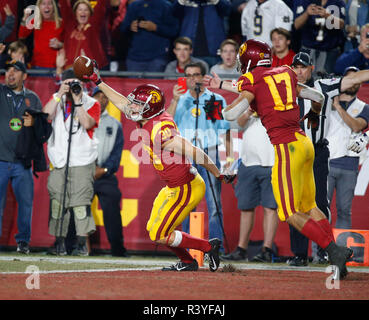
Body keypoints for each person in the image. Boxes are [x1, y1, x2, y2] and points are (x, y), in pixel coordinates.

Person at [203, 39, 369, 280]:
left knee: (289, 212)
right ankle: (336, 258)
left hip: (286, 147)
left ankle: (335, 251)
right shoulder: (285, 72)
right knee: (311, 206)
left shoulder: (253, 79)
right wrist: (313, 114)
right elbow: (317, 96)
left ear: (249, 59)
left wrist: (219, 110)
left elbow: (231, 112)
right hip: (306, 144)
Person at [83, 60, 235, 272]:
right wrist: (98, 81)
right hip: (173, 186)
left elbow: (195, 152)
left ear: (150, 107)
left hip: (186, 187)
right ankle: (187, 261)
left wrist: (218, 174)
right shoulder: (148, 117)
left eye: (137, 104)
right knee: (155, 229)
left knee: (160, 234)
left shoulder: (161, 129)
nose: (132, 106)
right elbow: (122, 102)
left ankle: (208, 246)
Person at [167, 62, 232, 253]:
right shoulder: (181, 99)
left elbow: (225, 132)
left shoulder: (215, 99)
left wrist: (229, 161)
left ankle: (215, 248)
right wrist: (175, 100)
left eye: (195, 75)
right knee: (187, 204)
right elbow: (167, 126)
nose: (192, 79)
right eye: (188, 75)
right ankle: (188, 248)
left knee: (214, 205)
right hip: (186, 155)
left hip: (209, 153)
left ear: (203, 77)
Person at [44, 68, 100, 256]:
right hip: (59, 160)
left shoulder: (91, 103)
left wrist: (77, 102)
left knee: (80, 204)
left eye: (78, 83)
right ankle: (58, 243)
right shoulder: (57, 100)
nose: (74, 87)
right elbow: (45, 117)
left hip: (82, 160)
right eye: (70, 83)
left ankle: (82, 244)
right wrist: (60, 93)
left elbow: (88, 124)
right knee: (57, 203)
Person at [288, 52, 331, 266]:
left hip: (316, 151)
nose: (298, 71)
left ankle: (325, 249)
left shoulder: (322, 86)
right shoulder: (285, 89)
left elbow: (351, 80)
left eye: (302, 67)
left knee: (319, 202)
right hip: (294, 153)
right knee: (294, 204)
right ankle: (299, 254)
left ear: (311, 68)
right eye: (295, 67)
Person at [221, 106, 279, 263]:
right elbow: (236, 127)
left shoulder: (278, 101)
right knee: (246, 207)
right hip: (247, 162)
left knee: (270, 208)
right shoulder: (249, 102)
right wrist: (248, 112)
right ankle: (241, 249)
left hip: (272, 161)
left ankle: (267, 249)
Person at [0, 60, 43, 254]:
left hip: (22, 162)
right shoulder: (0, 92)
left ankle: (23, 241)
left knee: (26, 204)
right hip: (0, 159)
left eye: (15, 71)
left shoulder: (32, 98)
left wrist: (35, 123)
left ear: (24, 76)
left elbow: (42, 130)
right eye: (8, 70)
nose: (10, 73)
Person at [326, 66, 369, 229]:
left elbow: (357, 126)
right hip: (328, 163)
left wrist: (338, 107)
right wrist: (333, 103)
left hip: (350, 166)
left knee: (344, 211)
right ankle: (319, 253)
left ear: (360, 84)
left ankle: (342, 250)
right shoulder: (328, 101)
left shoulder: (364, 107)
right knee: (323, 209)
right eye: (350, 78)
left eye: (356, 78)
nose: (353, 82)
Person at [91, 87, 128, 257]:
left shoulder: (114, 124)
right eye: (98, 95)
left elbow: (116, 152)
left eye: (105, 97)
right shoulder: (80, 119)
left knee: (112, 210)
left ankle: (118, 249)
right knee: (75, 208)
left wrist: (104, 169)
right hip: (84, 172)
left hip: (105, 174)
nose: (101, 99)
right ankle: (69, 245)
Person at [119, 0, 179, 72]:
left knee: (155, 83)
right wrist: (130, 27)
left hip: (157, 58)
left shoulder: (166, 5)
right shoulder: (134, 5)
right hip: (134, 58)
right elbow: (123, 28)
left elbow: (173, 31)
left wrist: (156, 28)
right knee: (134, 83)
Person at [172, 0, 231, 68]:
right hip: (190, 53)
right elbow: (173, 13)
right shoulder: (184, 2)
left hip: (214, 52)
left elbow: (227, 10)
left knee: (215, 77)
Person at [293, 0, 346, 75]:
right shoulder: (303, 1)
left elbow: (341, 25)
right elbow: (296, 25)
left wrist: (328, 16)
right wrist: (306, 13)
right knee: (306, 80)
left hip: (329, 49)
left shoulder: (338, 2)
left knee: (328, 82)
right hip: (308, 48)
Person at [58, 0, 110, 70]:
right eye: (80, 9)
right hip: (70, 69)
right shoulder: (69, 25)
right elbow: (64, 6)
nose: (83, 12)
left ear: (90, 13)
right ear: (75, 13)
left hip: (90, 70)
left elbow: (101, 6)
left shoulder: (94, 26)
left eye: (86, 10)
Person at [18, 0, 64, 70]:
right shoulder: (36, 21)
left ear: (54, 7)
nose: (47, 6)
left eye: (49, 4)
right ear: (39, 7)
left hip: (56, 67)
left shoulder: (61, 23)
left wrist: (60, 45)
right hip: (37, 65)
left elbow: (69, 44)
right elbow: (22, 35)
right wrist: (25, 18)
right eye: (43, 4)